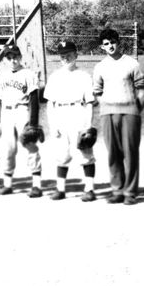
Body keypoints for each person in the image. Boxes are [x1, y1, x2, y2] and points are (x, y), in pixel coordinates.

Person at [93, 28, 144, 204]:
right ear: (102, 47)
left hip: (130, 113)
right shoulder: (100, 66)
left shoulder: (132, 63)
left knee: (130, 153)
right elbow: (97, 92)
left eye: (113, 42)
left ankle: (130, 192)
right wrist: (106, 104)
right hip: (108, 114)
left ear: (119, 42)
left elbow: (143, 91)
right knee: (113, 153)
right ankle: (117, 190)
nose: (110, 46)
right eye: (106, 44)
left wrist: (135, 109)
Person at [45, 40, 98, 202]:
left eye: (68, 54)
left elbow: (89, 102)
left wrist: (87, 125)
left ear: (76, 55)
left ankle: (89, 189)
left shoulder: (84, 76)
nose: (65, 57)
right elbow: (50, 103)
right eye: (62, 55)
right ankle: (60, 189)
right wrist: (52, 125)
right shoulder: (54, 77)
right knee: (62, 153)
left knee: (85, 150)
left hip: (78, 112)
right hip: (60, 113)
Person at [0, 45, 43, 196]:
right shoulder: (1, 76)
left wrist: (33, 122)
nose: (13, 60)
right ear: (5, 60)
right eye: (9, 58)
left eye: (15, 57)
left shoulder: (28, 74)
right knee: (8, 149)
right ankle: (7, 184)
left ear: (20, 57)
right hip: (6, 113)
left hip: (22, 110)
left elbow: (34, 99)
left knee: (29, 144)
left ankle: (37, 185)